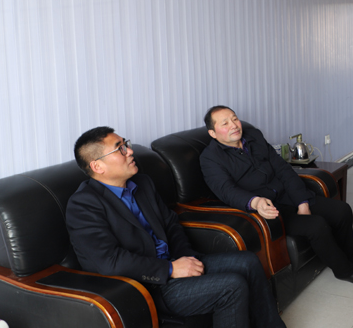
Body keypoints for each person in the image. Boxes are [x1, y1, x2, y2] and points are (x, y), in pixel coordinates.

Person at [66, 126, 286, 328]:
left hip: (174, 261)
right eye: (120, 149)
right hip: (148, 284)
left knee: (249, 261)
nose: (130, 152)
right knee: (232, 286)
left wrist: (185, 258)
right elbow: (109, 262)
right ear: (97, 166)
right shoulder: (83, 205)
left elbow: (170, 223)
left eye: (126, 144)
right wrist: (171, 270)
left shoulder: (142, 183)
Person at [199, 106, 353, 286]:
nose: (234, 125)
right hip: (269, 210)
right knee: (316, 225)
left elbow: (283, 169)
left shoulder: (254, 137)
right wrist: (255, 202)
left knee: (342, 210)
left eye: (234, 119)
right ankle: (345, 271)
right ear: (213, 133)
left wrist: (302, 202)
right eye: (225, 123)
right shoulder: (210, 158)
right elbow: (226, 190)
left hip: (288, 194)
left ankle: (350, 256)